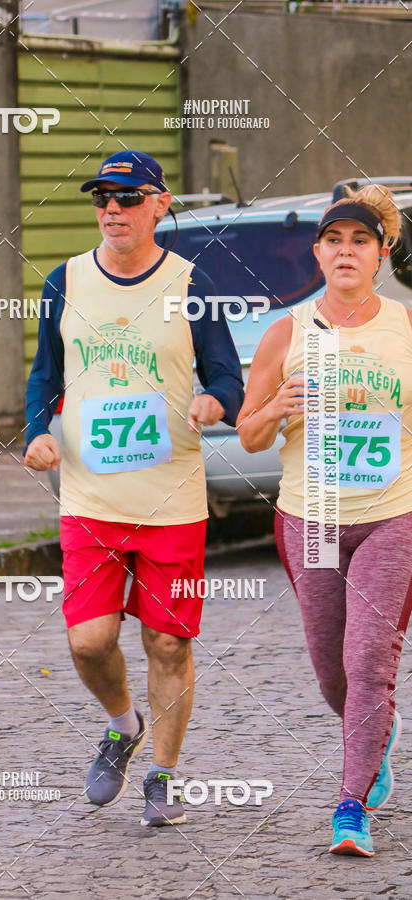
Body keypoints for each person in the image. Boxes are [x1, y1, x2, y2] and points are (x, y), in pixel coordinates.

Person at [24, 150, 244, 826]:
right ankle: (123, 726)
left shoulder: (191, 284)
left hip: (172, 500)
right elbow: (44, 376)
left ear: (159, 203)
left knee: (168, 644)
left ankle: (163, 777)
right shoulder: (64, 283)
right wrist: (37, 431)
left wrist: (215, 403)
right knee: (88, 642)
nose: (112, 210)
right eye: (102, 199)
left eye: (127, 198)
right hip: (91, 499)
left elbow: (229, 379)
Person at [237, 184, 412, 856]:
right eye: (333, 240)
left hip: (391, 515)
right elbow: (249, 436)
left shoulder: (403, 328)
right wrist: (277, 404)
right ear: (317, 252)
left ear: (381, 254)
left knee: (368, 661)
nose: (345, 251)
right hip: (310, 520)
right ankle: (378, 735)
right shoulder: (285, 332)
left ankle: (351, 806)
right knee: (333, 674)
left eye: (359, 241)